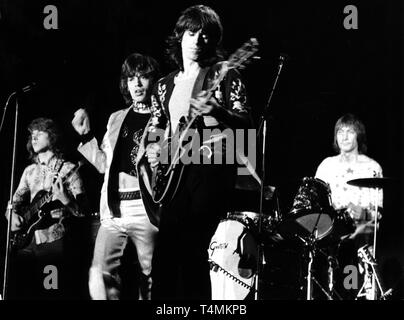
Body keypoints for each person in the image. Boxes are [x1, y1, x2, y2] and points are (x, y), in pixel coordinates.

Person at [137, 5, 252, 299]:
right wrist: (153, 150)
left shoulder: (224, 74)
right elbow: (156, 125)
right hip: (176, 173)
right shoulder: (164, 85)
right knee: (163, 258)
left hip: (212, 169)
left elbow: (246, 122)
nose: (198, 39)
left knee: (192, 250)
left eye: (205, 35)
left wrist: (217, 110)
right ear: (180, 36)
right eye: (192, 32)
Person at [71, 53, 160, 300]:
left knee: (149, 281)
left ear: (154, 81)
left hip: (146, 209)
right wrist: (86, 137)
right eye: (132, 78)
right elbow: (103, 165)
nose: (137, 84)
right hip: (113, 209)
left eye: (143, 77)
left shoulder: (163, 118)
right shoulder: (116, 118)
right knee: (98, 275)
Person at [6, 117, 86, 300]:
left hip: (53, 242)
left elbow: (83, 211)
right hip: (26, 242)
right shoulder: (29, 171)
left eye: (40, 133)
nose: (34, 137)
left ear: (52, 137)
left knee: (50, 292)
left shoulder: (69, 169)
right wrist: (11, 215)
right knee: (24, 291)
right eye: (32, 134)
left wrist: (66, 200)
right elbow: (14, 201)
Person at [315, 113, 383, 299]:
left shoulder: (372, 167)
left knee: (349, 276)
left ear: (358, 135)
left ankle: (352, 288)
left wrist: (361, 211)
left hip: (360, 232)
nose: (344, 136)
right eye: (340, 132)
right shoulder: (326, 166)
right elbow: (316, 200)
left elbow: (377, 214)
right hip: (331, 232)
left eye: (350, 131)